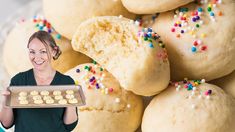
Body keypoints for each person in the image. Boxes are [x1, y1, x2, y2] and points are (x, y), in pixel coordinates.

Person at [0, 31, 78, 132]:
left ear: (54, 51)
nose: (37, 57)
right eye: (32, 52)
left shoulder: (66, 82)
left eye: (43, 51)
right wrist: (5, 104)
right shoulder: (19, 81)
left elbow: (69, 126)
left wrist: (71, 103)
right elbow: (7, 124)